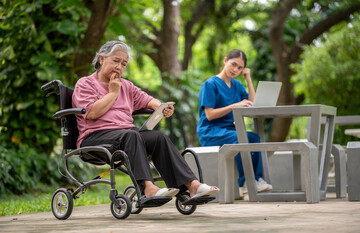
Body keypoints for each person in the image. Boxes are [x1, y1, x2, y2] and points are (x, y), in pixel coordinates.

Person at [72, 40, 219, 200]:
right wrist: (113, 93)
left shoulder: (126, 86)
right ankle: (148, 189)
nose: (119, 67)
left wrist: (161, 107)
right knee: (132, 135)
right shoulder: (85, 84)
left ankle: (192, 186)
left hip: (125, 136)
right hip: (95, 138)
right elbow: (92, 113)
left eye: (123, 64)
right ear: (101, 59)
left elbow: (147, 99)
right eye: (116, 61)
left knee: (158, 138)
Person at [196, 49, 272, 198]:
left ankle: (256, 179)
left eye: (240, 68)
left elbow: (253, 103)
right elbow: (209, 115)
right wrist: (234, 105)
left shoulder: (237, 85)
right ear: (225, 61)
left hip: (228, 130)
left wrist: (248, 79)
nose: (235, 70)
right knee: (241, 139)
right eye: (233, 64)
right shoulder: (210, 84)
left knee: (254, 138)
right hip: (210, 131)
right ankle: (244, 184)